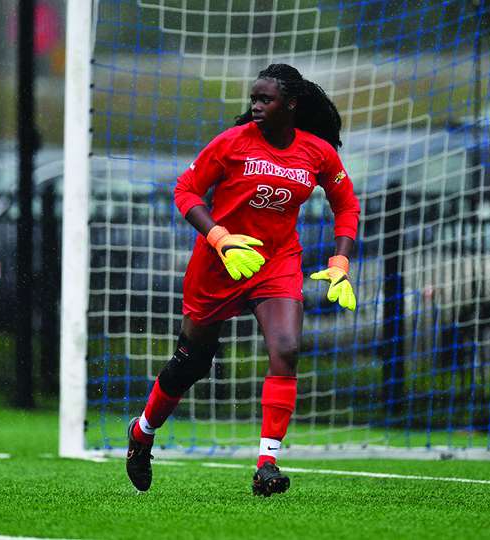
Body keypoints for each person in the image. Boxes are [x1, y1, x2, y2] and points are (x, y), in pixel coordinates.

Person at [125, 63, 360, 497]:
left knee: (287, 349)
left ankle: (266, 464)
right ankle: (141, 433)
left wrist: (341, 263)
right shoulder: (231, 143)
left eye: (264, 99)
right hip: (218, 265)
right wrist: (220, 238)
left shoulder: (318, 152)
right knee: (191, 364)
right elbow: (186, 189)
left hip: (276, 264)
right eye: (253, 97)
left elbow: (347, 206)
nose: (255, 105)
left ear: (290, 104)